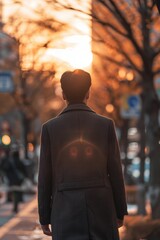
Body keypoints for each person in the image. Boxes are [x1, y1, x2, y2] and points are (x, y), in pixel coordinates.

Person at [38, 69, 128, 240]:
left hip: (64, 209)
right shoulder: (106, 125)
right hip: (102, 207)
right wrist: (120, 210)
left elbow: (45, 177)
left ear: (63, 94)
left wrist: (44, 216)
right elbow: (116, 172)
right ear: (88, 92)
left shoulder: (49, 128)